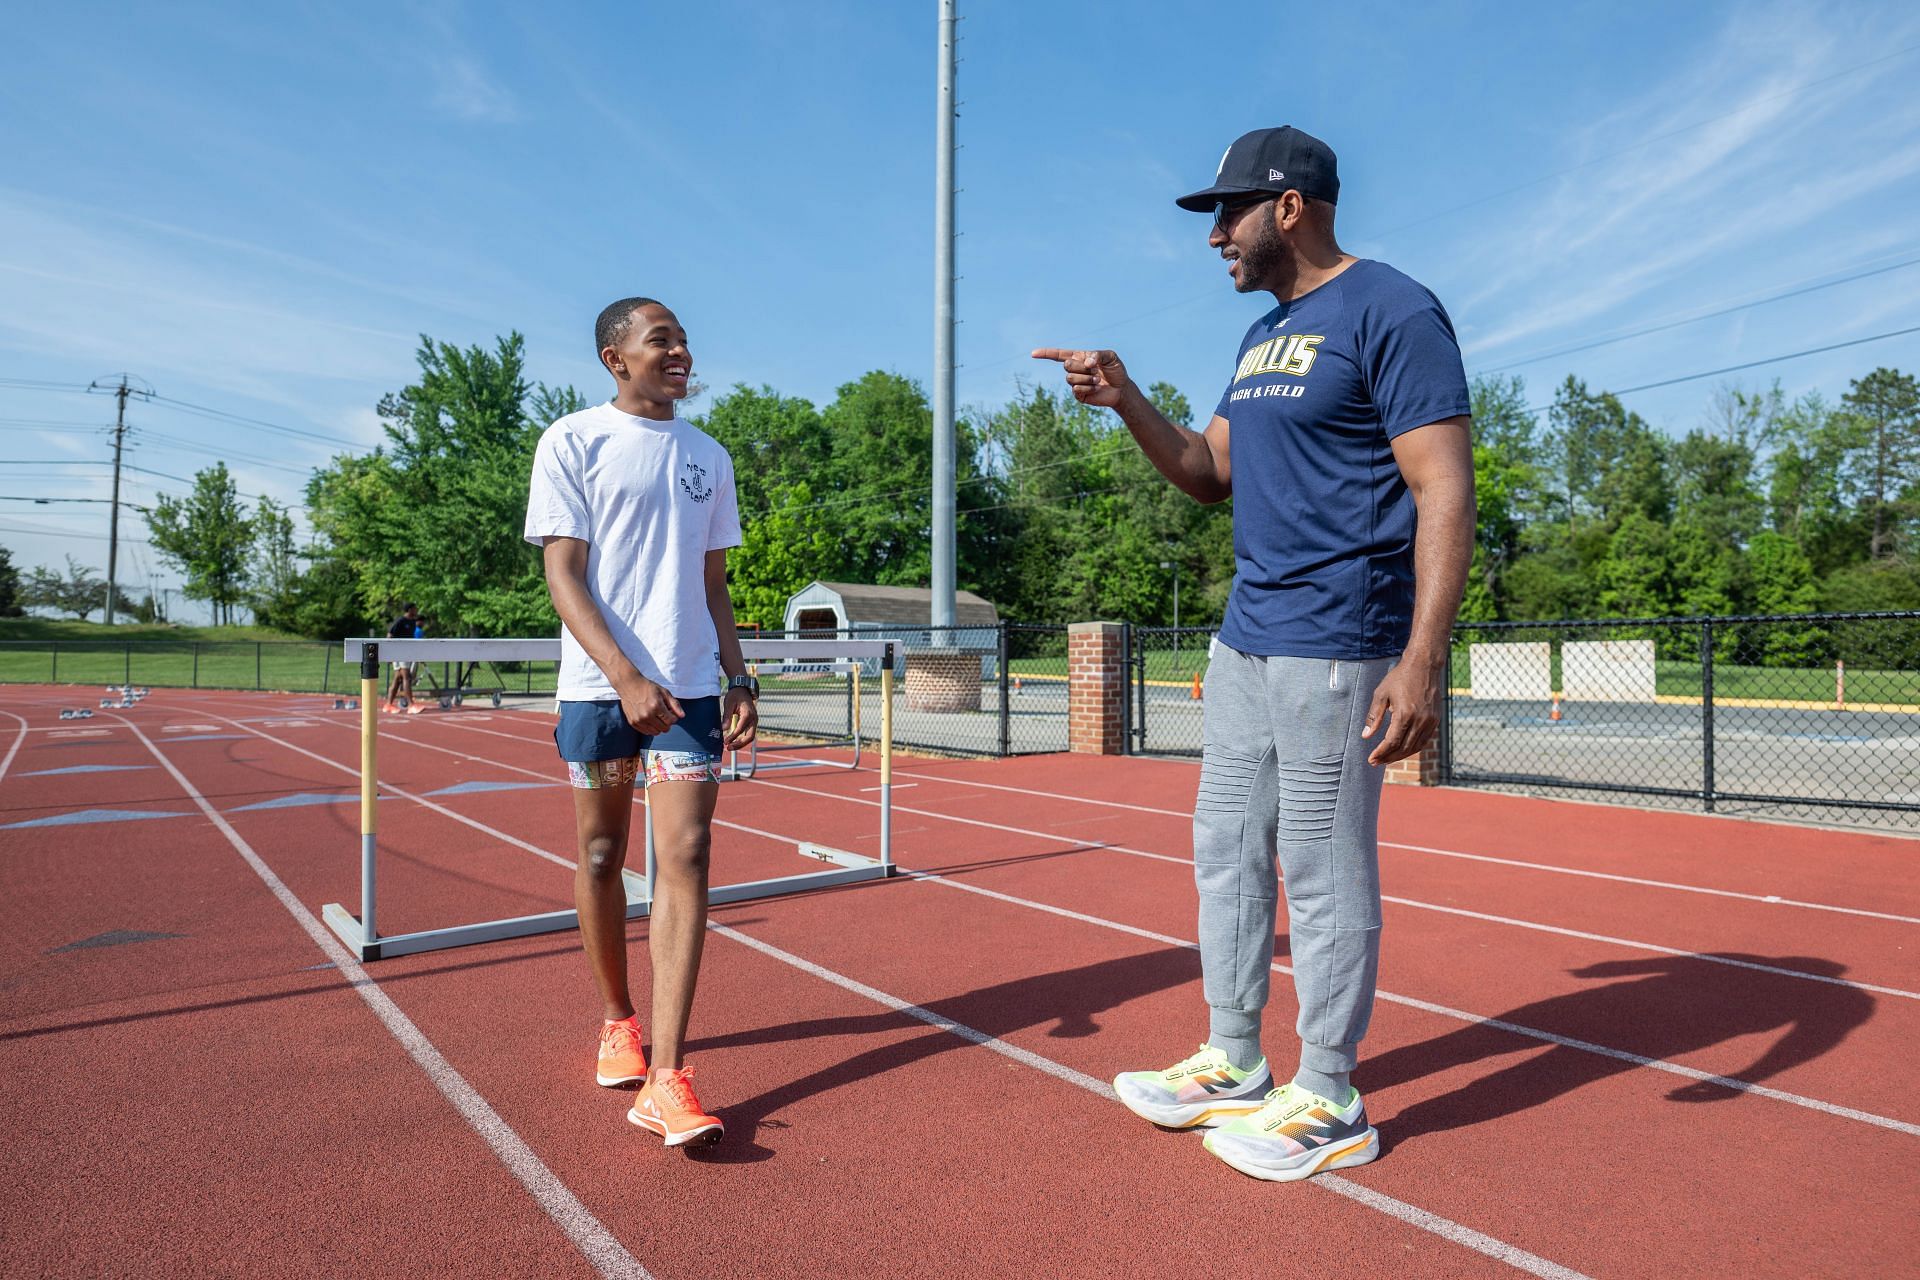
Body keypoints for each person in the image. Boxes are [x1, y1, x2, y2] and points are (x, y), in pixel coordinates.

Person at [1034, 126, 1475, 1182]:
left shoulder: (1393, 309)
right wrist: (1126, 397)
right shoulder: (1263, 337)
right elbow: (1204, 470)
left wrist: (1422, 657)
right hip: (1248, 635)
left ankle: (1329, 1092)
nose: (1214, 236)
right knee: (1226, 852)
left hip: (1338, 639)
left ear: (1289, 207)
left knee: (1321, 870)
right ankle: (1234, 1056)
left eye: (1226, 213)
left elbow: (1445, 488)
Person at [524, 296, 759, 1148]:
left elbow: (713, 583)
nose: (681, 351)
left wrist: (737, 677)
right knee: (600, 853)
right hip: (599, 694)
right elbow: (564, 574)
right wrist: (623, 677)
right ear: (614, 357)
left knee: (686, 856)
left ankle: (667, 1075)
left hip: (691, 695)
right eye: (662, 339)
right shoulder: (572, 440)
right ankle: (618, 1019)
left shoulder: (708, 455)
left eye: (685, 339)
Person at [382, 603, 421, 713]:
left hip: (406, 652)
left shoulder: (413, 622)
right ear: (409, 610)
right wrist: (389, 654)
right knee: (406, 677)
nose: (416, 610)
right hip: (398, 652)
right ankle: (411, 705)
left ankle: (388, 704)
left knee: (398, 679)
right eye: (415, 608)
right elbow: (389, 635)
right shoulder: (400, 621)